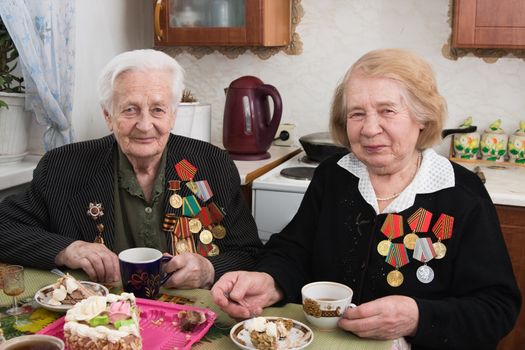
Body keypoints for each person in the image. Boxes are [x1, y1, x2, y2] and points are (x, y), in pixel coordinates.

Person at [211, 48, 521, 349]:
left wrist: (418, 317)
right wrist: (270, 281)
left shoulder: (461, 194)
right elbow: (294, 250)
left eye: (387, 110)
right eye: (357, 114)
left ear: (422, 117)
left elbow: (496, 308)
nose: (370, 129)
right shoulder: (334, 175)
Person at [0, 49, 262, 289]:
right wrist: (68, 249)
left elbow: (249, 252)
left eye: (158, 109)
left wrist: (209, 269)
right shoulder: (63, 166)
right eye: (130, 110)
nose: (145, 125)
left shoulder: (212, 163)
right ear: (108, 116)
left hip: (188, 319)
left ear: (173, 114)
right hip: (99, 322)